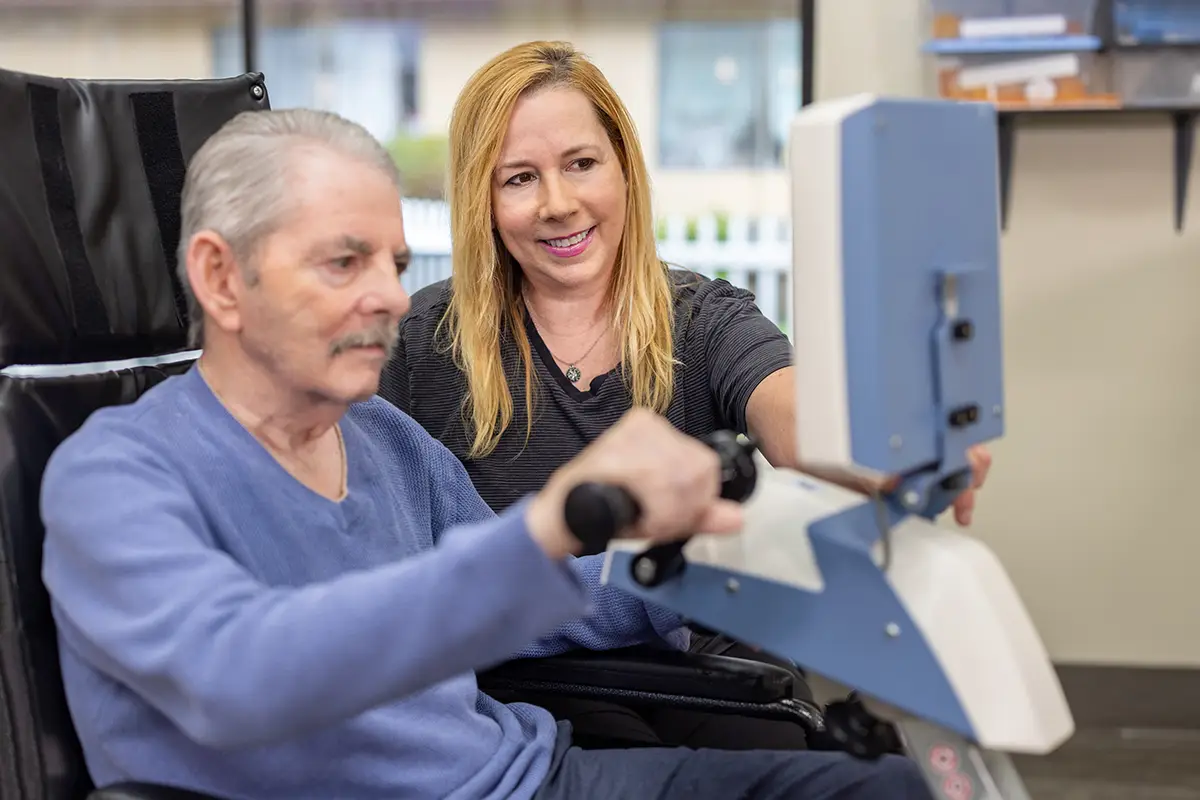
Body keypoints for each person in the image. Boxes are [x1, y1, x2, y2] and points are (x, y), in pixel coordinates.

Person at [39, 107, 932, 799]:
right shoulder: (114, 477)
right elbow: (244, 675)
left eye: (394, 263)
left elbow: (525, 604)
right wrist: (549, 522)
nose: (391, 297)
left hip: (527, 773)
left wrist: (698, 556)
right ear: (221, 278)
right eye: (345, 264)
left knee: (889, 786)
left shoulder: (384, 440)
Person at [378, 40, 993, 751]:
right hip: (522, 685)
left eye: (582, 164)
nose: (559, 204)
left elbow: (792, 417)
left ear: (624, 169)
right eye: (519, 178)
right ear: (481, 199)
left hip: (707, 665)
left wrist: (890, 451)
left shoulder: (703, 317)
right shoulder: (421, 343)